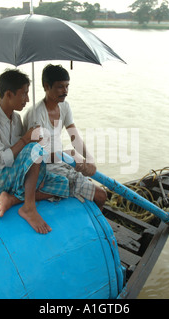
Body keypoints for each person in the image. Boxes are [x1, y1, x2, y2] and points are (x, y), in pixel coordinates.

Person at [0, 69, 69, 234]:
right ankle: (28, 207)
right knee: (34, 150)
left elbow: (25, 154)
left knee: (63, 184)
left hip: (13, 171)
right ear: (9, 94)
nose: (28, 99)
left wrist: (34, 137)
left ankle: (11, 199)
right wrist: (26, 140)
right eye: (24, 94)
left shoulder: (16, 119)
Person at [23, 64, 107, 210]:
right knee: (101, 196)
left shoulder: (64, 107)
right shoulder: (36, 114)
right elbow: (38, 157)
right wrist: (67, 155)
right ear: (46, 86)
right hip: (43, 169)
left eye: (67, 86)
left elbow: (74, 137)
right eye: (60, 87)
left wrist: (89, 159)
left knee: (94, 183)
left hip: (62, 162)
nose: (65, 91)